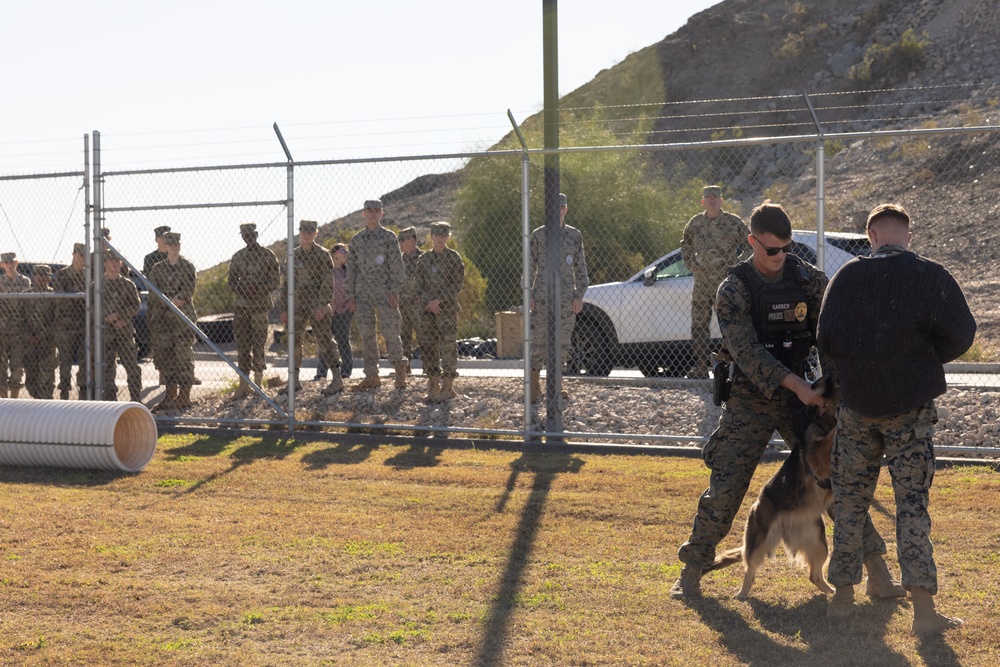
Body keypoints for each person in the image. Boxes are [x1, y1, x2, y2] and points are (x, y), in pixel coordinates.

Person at [669, 201, 903, 601]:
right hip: (751, 396)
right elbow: (745, 350)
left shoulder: (809, 280)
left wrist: (831, 393)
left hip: (806, 398)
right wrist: (797, 385)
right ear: (752, 242)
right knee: (726, 485)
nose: (780, 257)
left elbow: (830, 336)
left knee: (836, 483)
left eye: (786, 248)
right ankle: (692, 571)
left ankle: (878, 573)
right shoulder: (734, 288)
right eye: (771, 250)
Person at [818, 203, 976, 634]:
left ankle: (842, 601)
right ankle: (924, 613)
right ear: (907, 234)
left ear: (871, 238)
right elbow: (963, 334)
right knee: (911, 507)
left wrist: (856, 370)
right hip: (911, 410)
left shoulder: (846, 278)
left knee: (849, 503)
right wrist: (920, 360)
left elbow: (825, 339)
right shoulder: (929, 275)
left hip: (855, 409)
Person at [680, 185, 750, 378]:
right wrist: (691, 264)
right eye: (708, 197)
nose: (712, 200)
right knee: (699, 326)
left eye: (716, 197)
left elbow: (750, 244)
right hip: (702, 284)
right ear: (703, 201)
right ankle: (701, 368)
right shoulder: (695, 223)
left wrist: (736, 266)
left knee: (730, 325)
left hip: (725, 284)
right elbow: (685, 244)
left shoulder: (733, 223)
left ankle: (733, 367)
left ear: (721, 200)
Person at [528, 192, 588, 402]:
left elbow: (581, 270)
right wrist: (528, 294)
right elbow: (529, 266)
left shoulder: (574, 236)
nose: (557, 211)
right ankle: (534, 385)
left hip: (565, 299)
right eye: (553, 208)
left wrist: (579, 295)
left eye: (561, 208)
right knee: (538, 342)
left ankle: (556, 386)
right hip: (542, 298)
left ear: (565, 209)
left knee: (562, 344)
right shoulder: (538, 235)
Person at [345, 199, 406, 391]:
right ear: (363, 213)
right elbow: (351, 270)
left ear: (382, 213)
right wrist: (351, 295)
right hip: (363, 295)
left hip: (385, 293)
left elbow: (398, 267)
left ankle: (400, 373)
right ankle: (371, 376)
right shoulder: (356, 240)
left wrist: (394, 291)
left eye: (376, 211)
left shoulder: (389, 237)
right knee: (367, 336)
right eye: (369, 210)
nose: (373, 214)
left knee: (391, 333)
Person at [278, 219, 343, 396]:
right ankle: (294, 381)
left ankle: (337, 379)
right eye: (304, 232)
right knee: (294, 341)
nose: (307, 235)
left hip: (317, 306)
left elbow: (328, 283)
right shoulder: (293, 256)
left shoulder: (322, 255)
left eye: (310, 232)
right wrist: (284, 308)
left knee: (325, 340)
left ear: (316, 233)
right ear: (299, 233)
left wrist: (323, 305)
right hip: (297, 306)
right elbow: (287, 284)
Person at [146, 232, 198, 411]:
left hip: (183, 320)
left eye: (177, 244)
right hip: (164, 320)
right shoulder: (157, 269)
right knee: (166, 357)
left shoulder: (187, 267)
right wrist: (167, 302)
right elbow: (153, 292)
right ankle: (170, 394)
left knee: (184, 356)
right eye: (171, 244)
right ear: (165, 247)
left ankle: (184, 395)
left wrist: (173, 301)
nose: (174, 247)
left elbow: (187, 291)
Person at [228, 222, 280, 398]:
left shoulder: (267, 255)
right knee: (242, 346)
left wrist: (258, 288)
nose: (248, 237)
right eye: (245, 235)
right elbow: (231, 281)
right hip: (242, 306)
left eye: (251, 234)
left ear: (256, 235)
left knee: (259, 344)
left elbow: (275, 281)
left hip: (259, 305)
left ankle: (258, 383)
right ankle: (243, 384)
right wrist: (242, 288)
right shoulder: (238, 257)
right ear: (242, 236)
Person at [416, 222, 465, 402]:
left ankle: (448, 386)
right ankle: (433, 384)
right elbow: (418, 285)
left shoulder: (454, 258)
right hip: (427, 310)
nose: (440, 238)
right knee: (428, 346)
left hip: (447, 310)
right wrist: (429, 301)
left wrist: (439, 300)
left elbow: (457, 284)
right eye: (437, 235)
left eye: (444, 235)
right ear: (431, 236)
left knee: (448, 347)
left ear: (448, 237)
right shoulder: (424, 259)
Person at [100, 252, 142, 403]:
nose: (115, 263)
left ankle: (136, 400)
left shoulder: (128, 284)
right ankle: (111, 401)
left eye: (117, 261)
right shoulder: (97, 285)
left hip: (124, 331)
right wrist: (106, 316)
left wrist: (121, 317)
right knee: (107, 368)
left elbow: (135, 304)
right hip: (105, 332)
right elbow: (92, 307)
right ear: (105, 262)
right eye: (111, 260)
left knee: (132, 367)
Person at [53, 243, 89, 400]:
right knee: (65, 360)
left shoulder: (89, 275)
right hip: (65, 325)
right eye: (80, 254)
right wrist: (80, 297)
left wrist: (76, 296)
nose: (82, 258)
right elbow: (60, 299)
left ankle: (83, 390)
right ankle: (64, 391)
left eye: (84, 255)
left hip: (83, 324)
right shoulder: (62, 274)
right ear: (73, 254)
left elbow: (92, 298)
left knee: (84, 359)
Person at [315, 243, 353, 381]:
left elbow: (354, 289)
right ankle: (321, 373)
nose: (346, 253)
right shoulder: (326, 271)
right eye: (343, 251)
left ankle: (346, 372)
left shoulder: (348, 272)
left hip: (345, 310)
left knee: (343, 339)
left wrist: (351, 303)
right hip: (328, 310)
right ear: (335, 254)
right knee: (325, 340)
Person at [23, 264, 57, 399]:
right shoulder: (26, 295)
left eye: (45, 275)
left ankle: (46, 404)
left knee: (47, 377)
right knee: (31, 379)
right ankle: (37, 402)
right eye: (38, 275)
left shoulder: (54, 295)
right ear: (33, 276)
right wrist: (28, 336)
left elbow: (56, 319)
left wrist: (42, 335)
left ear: (49, 278)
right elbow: (21, 318)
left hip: (47, 342)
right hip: (29, 343)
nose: (41, 278)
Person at [142, 225, 171, 381]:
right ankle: (163, 373)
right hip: (158, 305)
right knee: (159, 340)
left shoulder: (174, 256)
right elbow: (151, 282)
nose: (164, 239)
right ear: (156, 239)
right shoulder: (150, 259)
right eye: (161, 236)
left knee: (180, 340)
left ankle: (184, 374)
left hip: (175, 304)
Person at [0, 251, 31, 398]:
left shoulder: (25, 281)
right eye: (6, 263)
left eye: (12, 262)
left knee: (17, 367)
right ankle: (3, 401)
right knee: (1, 367)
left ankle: (14, 400)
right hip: (2, 330)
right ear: (2, 265)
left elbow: (26, 307)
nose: (9, 265)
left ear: (16, 263)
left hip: (18, 331)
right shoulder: (0, 283)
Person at [397, 226, 423, 374]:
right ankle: (404, 370)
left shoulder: (424, 258)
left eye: (412, 238)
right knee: (403, 338)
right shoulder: (398, 261)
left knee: (425, 337)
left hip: (419, 305)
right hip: (402, 306)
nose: (409, 242)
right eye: (405, 239)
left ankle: (430, 369)